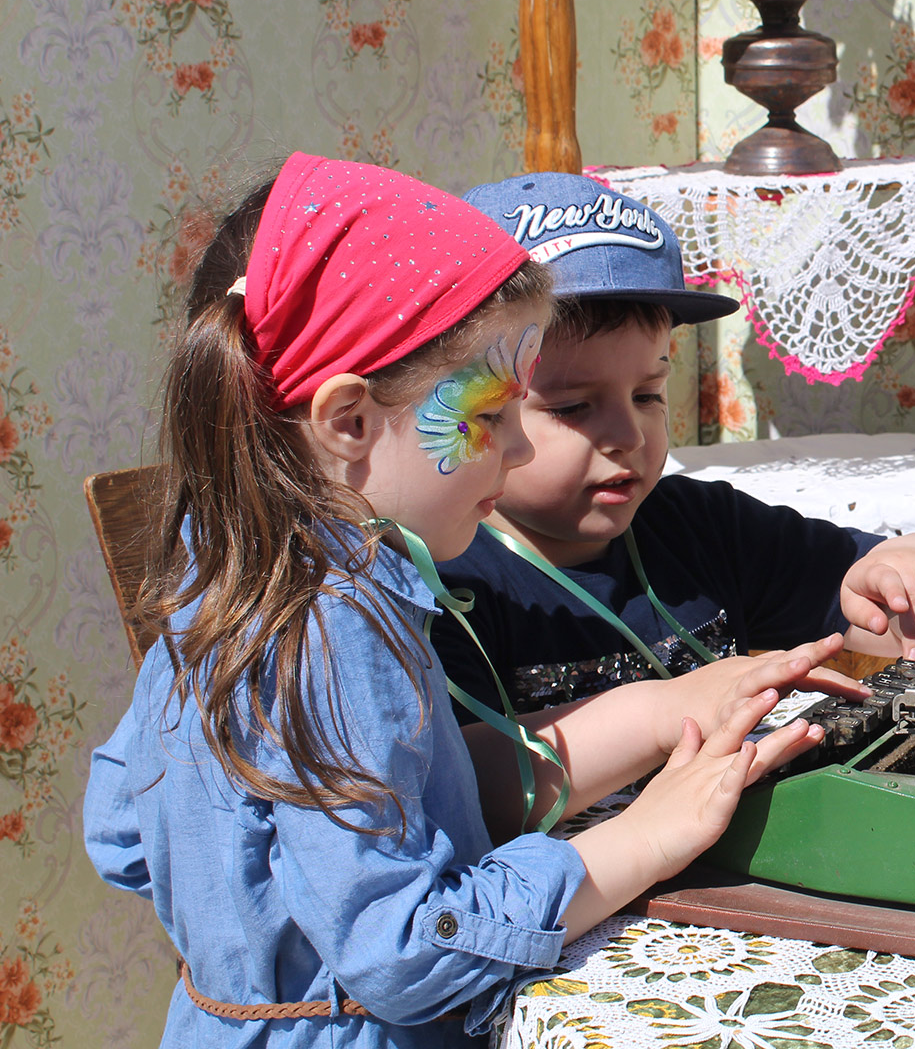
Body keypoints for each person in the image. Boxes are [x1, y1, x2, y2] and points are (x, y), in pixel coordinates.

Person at [83, 154, 851, 1047]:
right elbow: (405, 951)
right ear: (349, 422)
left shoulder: (234, 567)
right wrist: (647, 835)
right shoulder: (335, 622)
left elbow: (124, 833)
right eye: (488, 415)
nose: (517, 449)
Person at [431, 171, 915, 718]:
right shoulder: (447, 583)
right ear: (472, 410)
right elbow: (472, 771)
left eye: (648, 395)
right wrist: (662, 713)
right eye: (572, 407)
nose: (629, 435)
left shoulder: (701, 530)